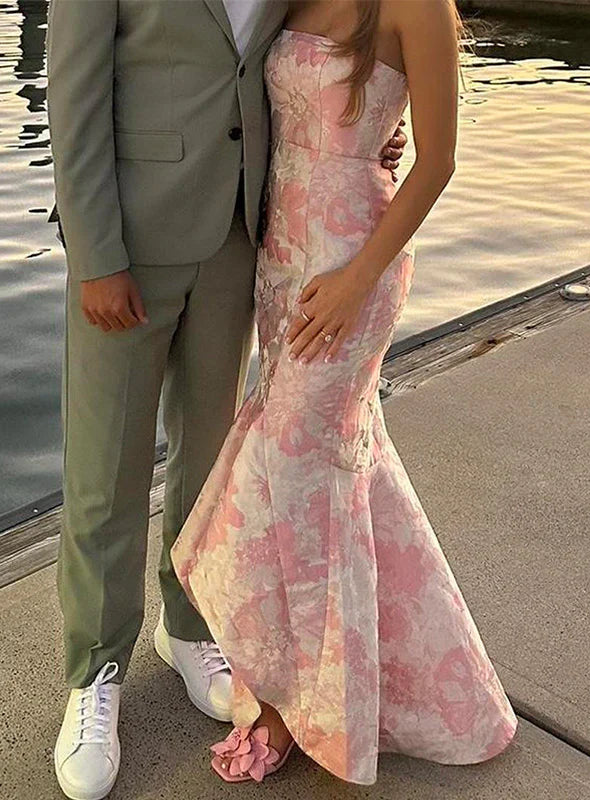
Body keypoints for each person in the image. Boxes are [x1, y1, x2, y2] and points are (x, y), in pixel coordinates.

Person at [45, 0, 404, 797]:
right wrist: (96, 256)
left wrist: (371, 126)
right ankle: (95, 670)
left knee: (210, 460)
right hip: (130, 240)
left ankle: (187, 626)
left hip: (245, 235)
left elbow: (306, 55)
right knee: (106, 469)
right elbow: (72, 94)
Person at [171, 0, 519, 786]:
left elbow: (437, 162)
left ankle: (296, 702)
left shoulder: (418, 7)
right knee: (333, 473)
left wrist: (358, 279)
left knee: (296, 473)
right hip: (281, 256)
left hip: (352, 264)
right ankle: (382, 680)